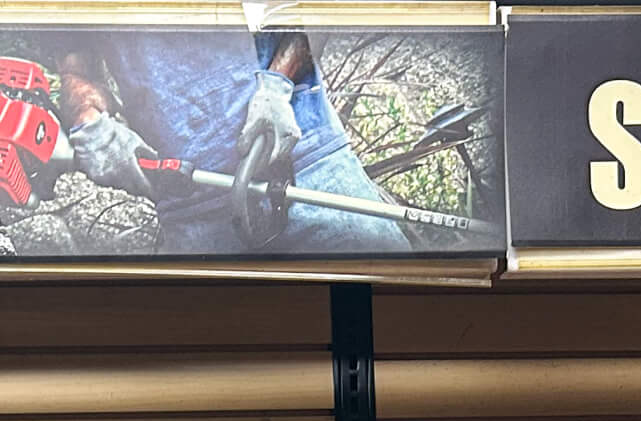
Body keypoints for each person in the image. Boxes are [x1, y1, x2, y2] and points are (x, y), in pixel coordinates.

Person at [51, 33, 413, 255]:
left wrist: (277, 86)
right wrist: (90, 122)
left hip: (312, 171)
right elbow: (76, 71)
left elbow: (310, 12)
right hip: (193, 213)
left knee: (385, 332)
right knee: (233, 370)